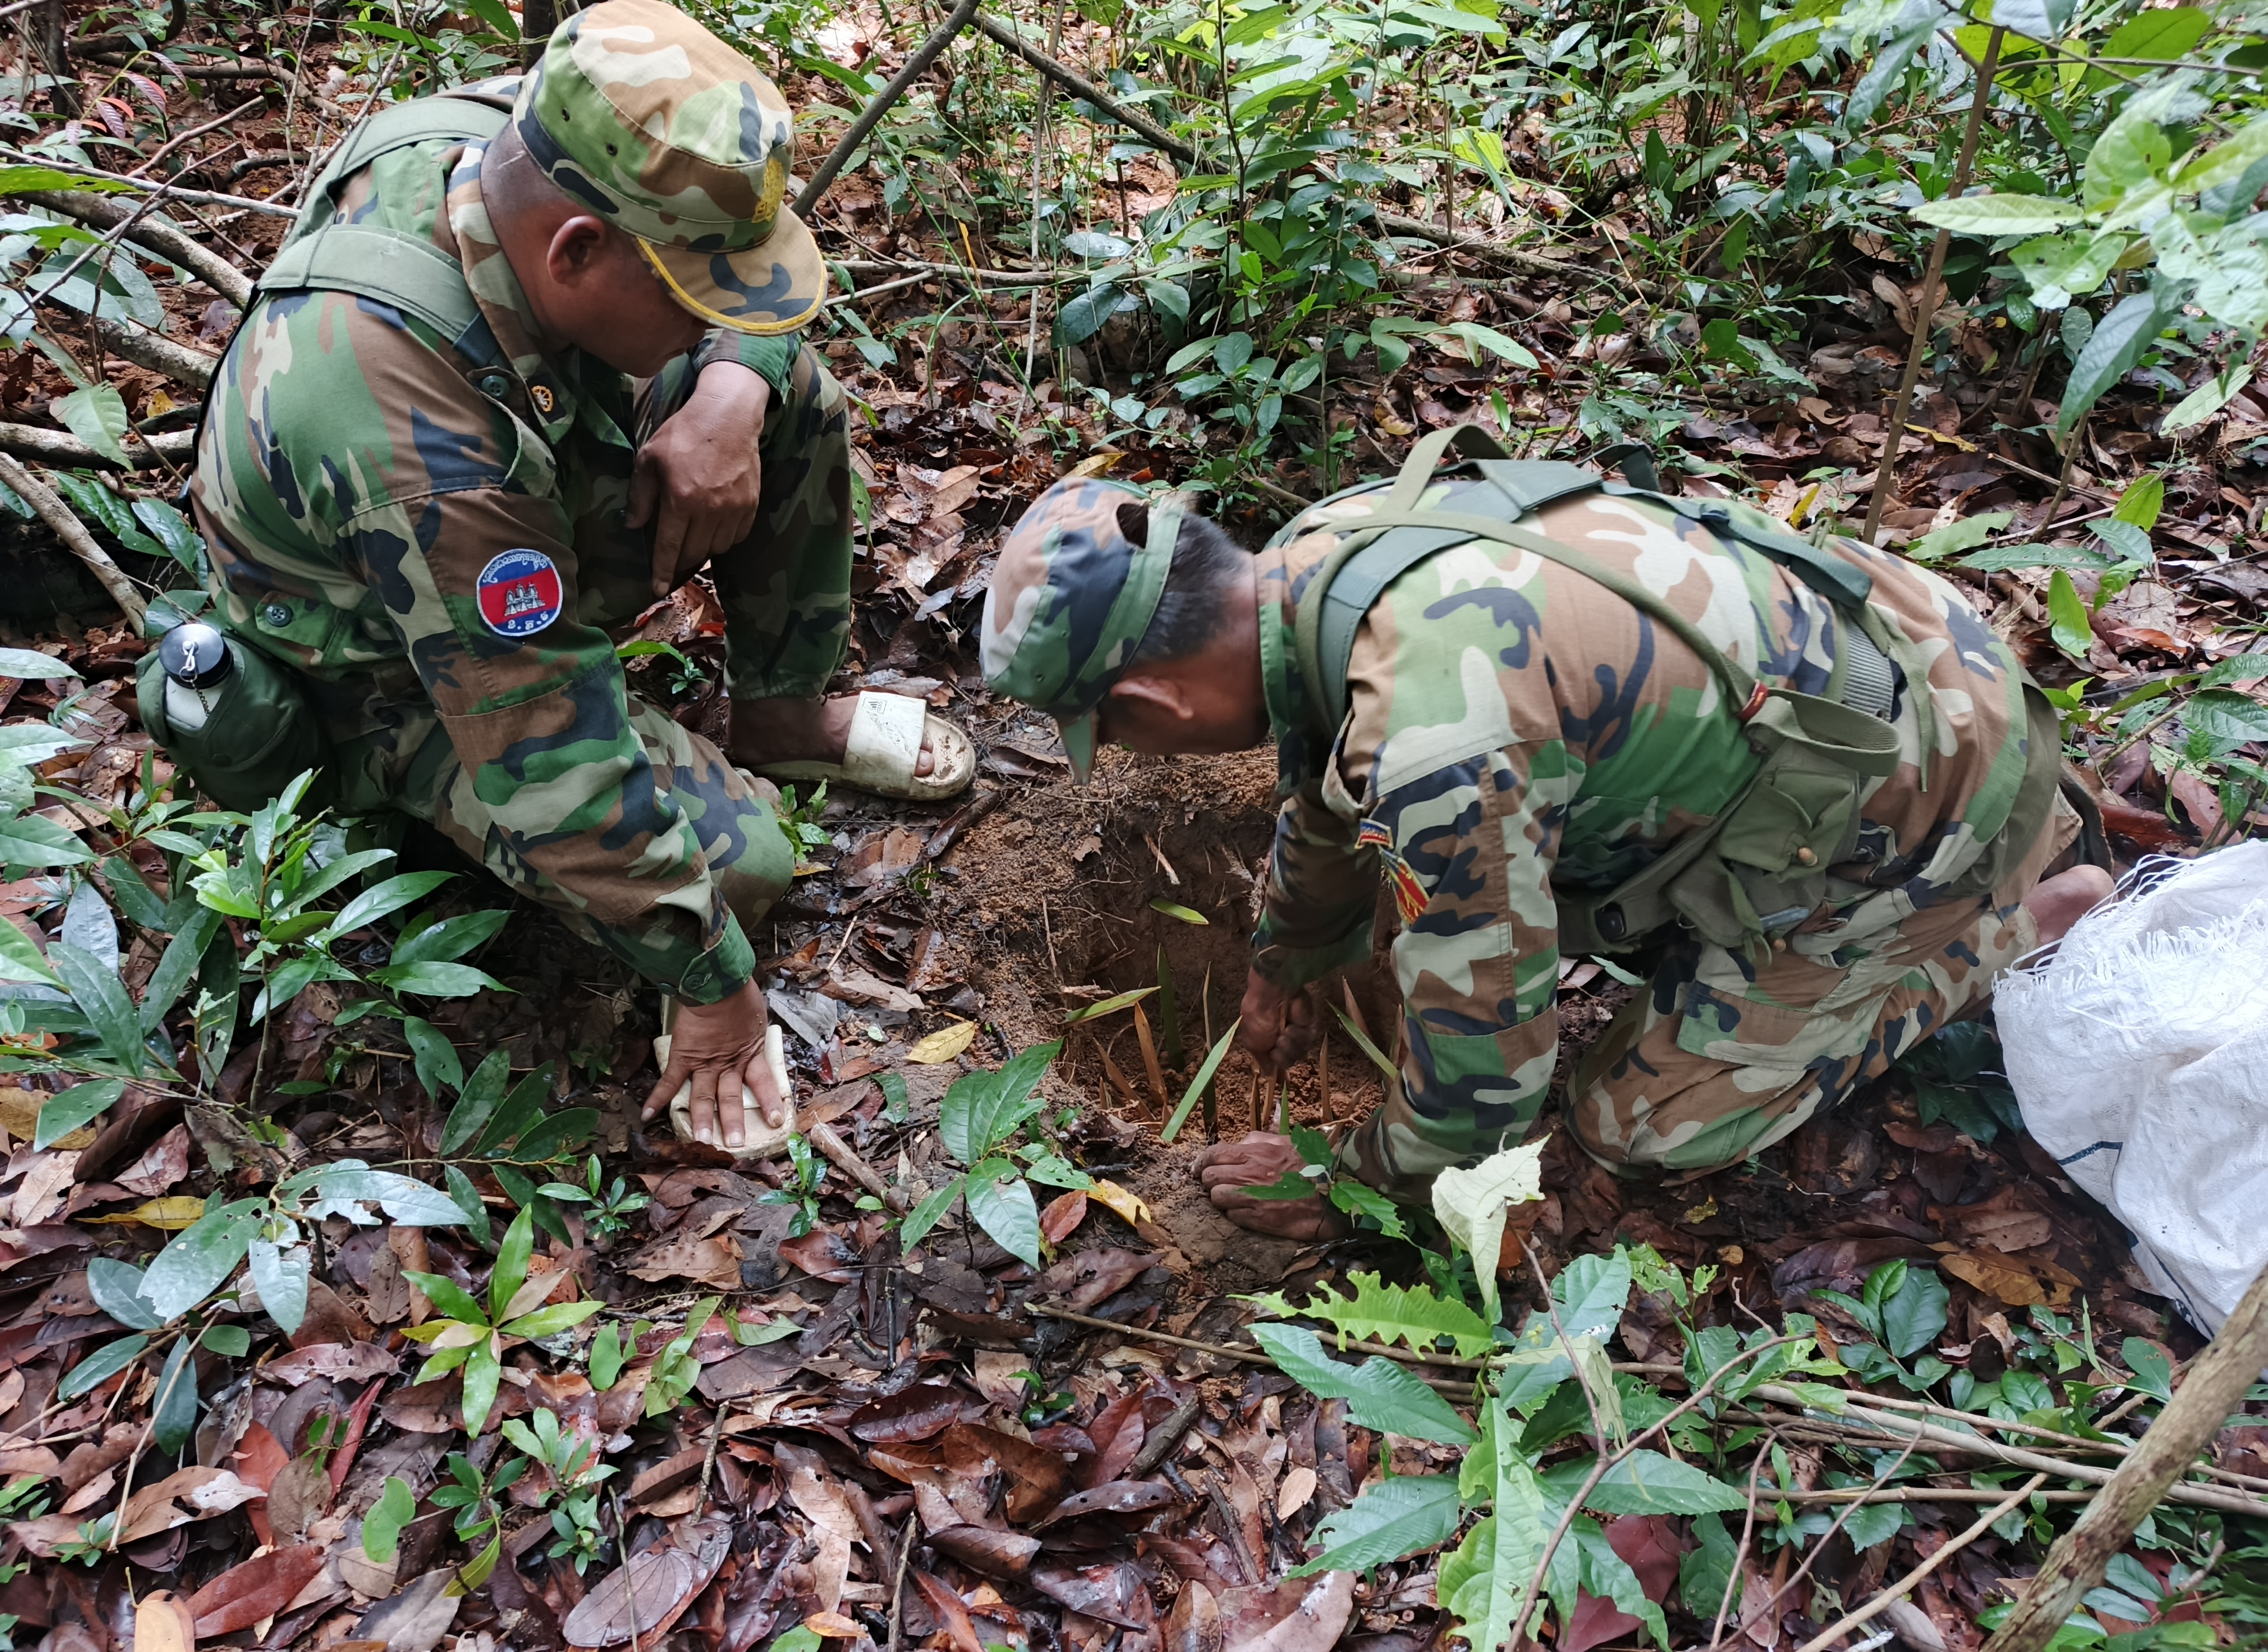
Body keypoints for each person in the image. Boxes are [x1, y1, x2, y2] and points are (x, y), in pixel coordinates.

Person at [979, 431, 2114, 1238]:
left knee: (1634, 1123)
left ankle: (1994, 933)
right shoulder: (1327, 552)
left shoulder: (1436, 738)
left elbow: (1484, 1105)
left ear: (1158, 709)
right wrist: (1290, 950)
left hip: (1928, 795)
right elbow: (1317, 766)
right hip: (1896, 652)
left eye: (1111, 732)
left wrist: (1337, 1174)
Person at [180, 0, 974, 1153]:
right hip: (386, 667)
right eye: (694, 293)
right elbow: (546, 744)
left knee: (782, 393)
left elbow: (743, 296)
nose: (718, 312)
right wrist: (712, 987)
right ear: (578, 254)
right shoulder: (410, 439)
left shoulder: (535, 140)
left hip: (507, 489)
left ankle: (781, 711)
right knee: (745, 864)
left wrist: (735, 387)